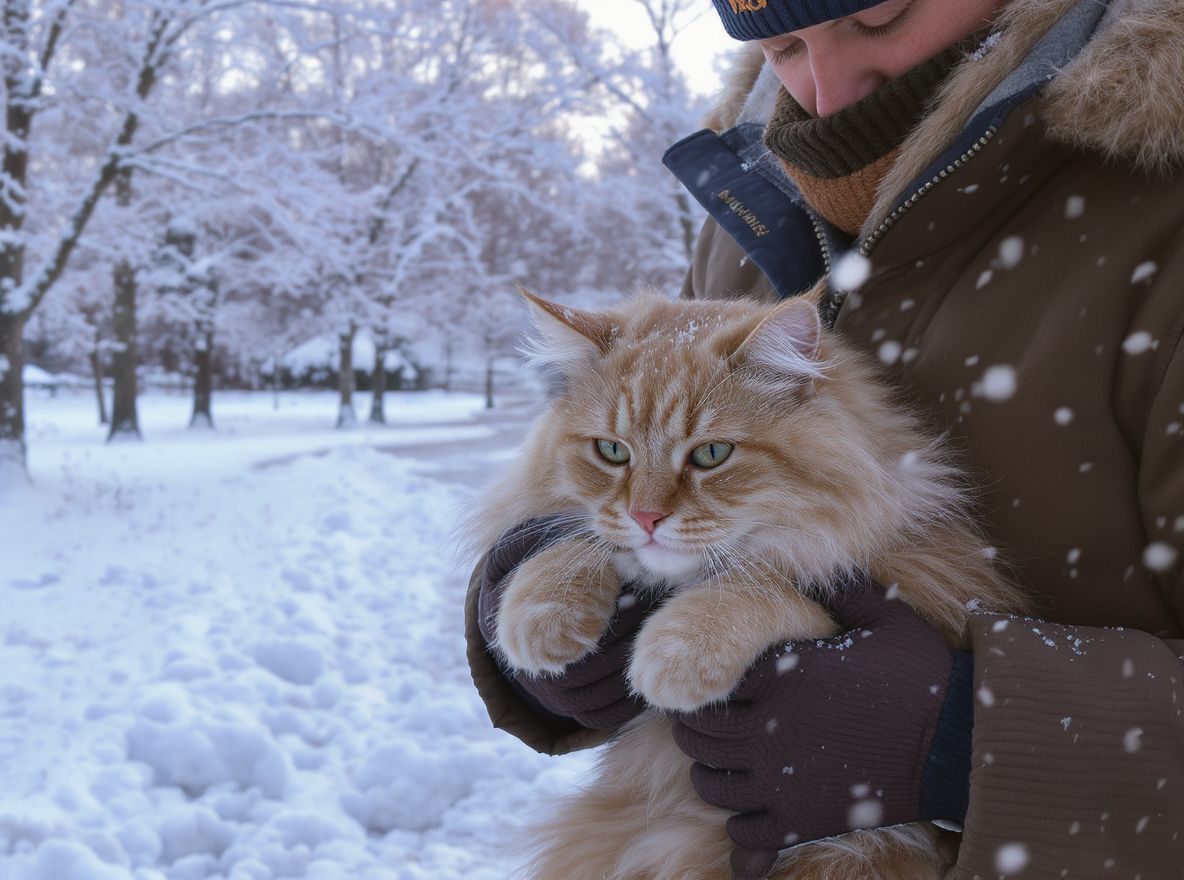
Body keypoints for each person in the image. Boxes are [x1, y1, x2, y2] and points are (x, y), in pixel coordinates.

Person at [465, 0, 1184, 876]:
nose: (829, 91)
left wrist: (967, 734)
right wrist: (548, 575)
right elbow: (640, 443)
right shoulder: (753, 188)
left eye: (880, 21)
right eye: (783, 44)